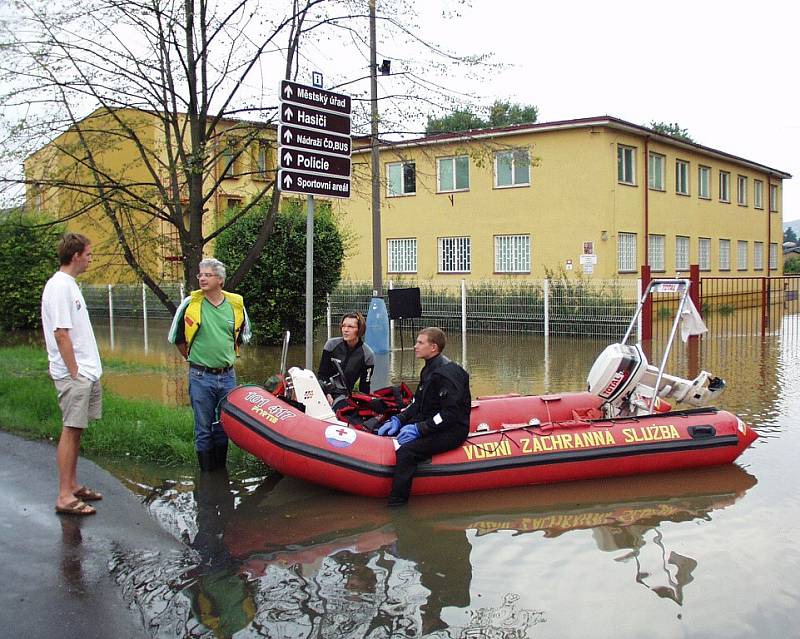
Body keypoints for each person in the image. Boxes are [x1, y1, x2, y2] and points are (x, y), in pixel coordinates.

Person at [168, 258, 251, 471]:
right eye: (200, 275)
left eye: (207, 275)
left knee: (224, 425)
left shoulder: (235, 306)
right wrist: (195, 360)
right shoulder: (190, 305)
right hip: (200, 377)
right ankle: (207, 478)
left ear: (220, 280)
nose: (202, 279)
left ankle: (220, 473)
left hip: (227, 377)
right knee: (203, 428)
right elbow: (177, 338)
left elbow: (242, 336)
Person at [42, 233, 104, 516]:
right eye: (89, 254)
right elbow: (61, 334)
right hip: (74, 375)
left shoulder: (70, 285)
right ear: (76, 255)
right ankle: (64, 496)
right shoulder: (58, 287)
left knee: (77, 430)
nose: (91, 259)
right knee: (70, 429)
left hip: (85, 372)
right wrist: (75, 372)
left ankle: (73, 484)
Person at [378, 327, 471, 506]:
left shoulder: (447, 374)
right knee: (385, 431)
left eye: (420, 343)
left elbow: (450, 414)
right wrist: (400, 419)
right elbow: (417, 402)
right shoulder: (428, 370)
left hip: (452, 430)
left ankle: (397, 504)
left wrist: (420, 429)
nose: (415, 346)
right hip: (433, 421)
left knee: (407, 452)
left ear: (433, 347)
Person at [317, 312, 375, 406]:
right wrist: (327, 394)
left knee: (339, 406)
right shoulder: (331, 345)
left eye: (351, 327)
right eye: (343, 326)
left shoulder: (368, 355)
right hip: (324, 389)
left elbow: (364, 386)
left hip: (343, 395)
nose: (345, 330)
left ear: (359, 330)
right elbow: (322, 374)